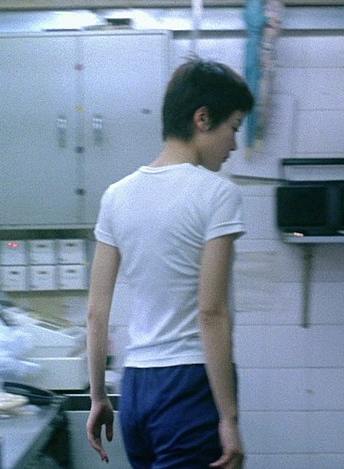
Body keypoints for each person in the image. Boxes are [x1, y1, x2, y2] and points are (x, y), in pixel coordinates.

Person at [85, 57, 254, 469]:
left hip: (136, 387)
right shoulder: (218, 194)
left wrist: (98, 397)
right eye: (233, 128)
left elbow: (95, 313)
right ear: (202, 119)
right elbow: (211, 312)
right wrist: (229, 419)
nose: (234, 145)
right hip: (190, 384)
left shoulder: (116, 195)